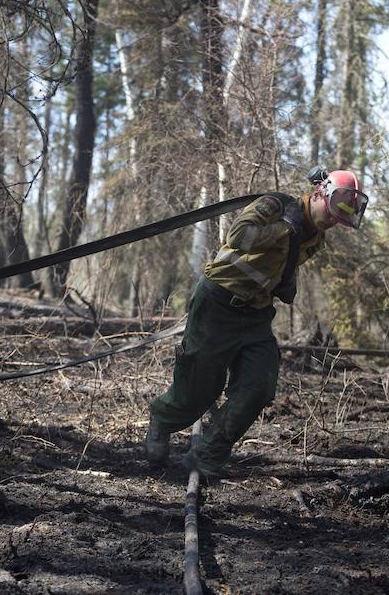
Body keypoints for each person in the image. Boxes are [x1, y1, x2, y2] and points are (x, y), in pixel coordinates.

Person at [144, 167, 369, 477]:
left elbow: (280, 264)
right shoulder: (276, 206)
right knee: (201, 387)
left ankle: (208, 453)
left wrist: (286, 281)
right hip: (218, 302)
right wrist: (284, 230)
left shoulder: (317, 239)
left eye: (339, 219)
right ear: (319, 192)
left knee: (259, 385)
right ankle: (163, 419)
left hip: (256, 315)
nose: (332, 221)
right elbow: (237, 236)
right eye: (331, 212)